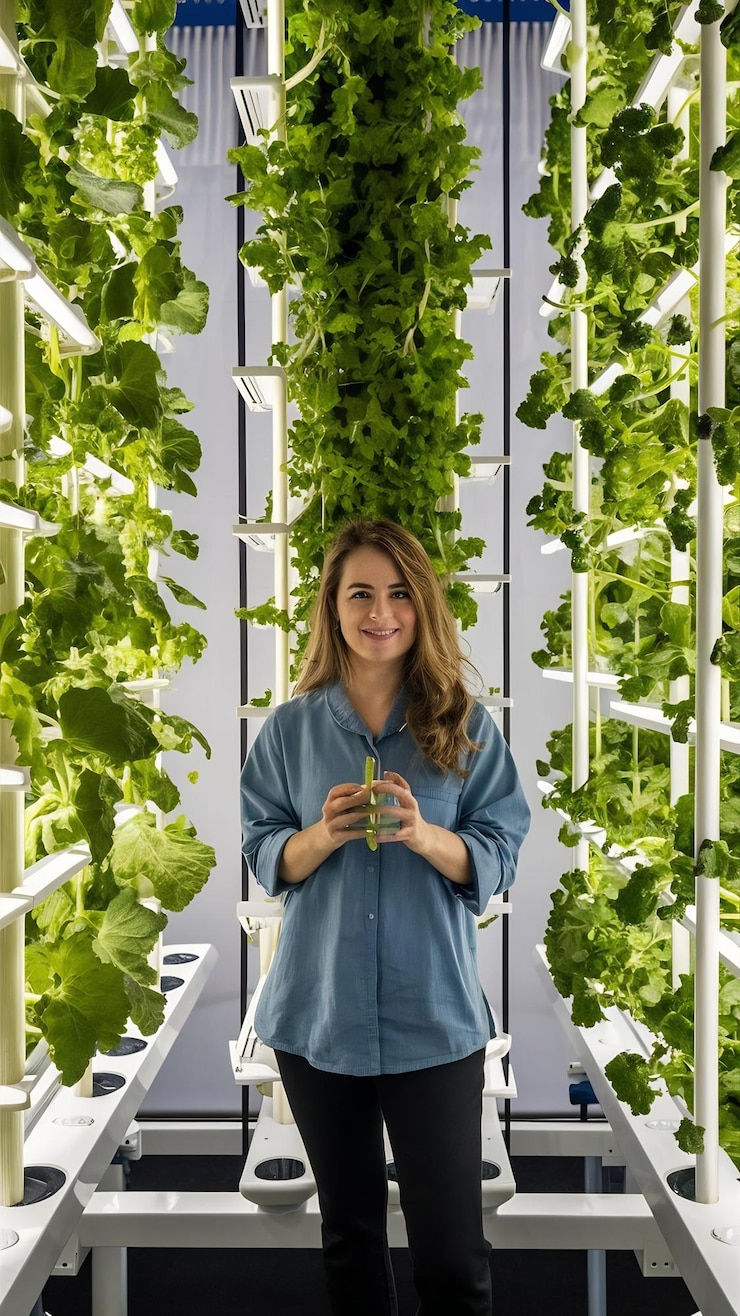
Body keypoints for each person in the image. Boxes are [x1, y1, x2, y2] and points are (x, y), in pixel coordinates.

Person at [241, 519, 530, 1316]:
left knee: (451, 1255)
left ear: (422, 603)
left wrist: (425, 834)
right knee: (351, 1241)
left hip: (432, 1021)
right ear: (332, 607)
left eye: (399, 592)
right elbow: (264, 851)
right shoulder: (290, 731)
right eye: (360, 592)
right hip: (315, 1017)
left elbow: (500, 853)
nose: (381, 611)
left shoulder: (467, 727)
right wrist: (321, 835)